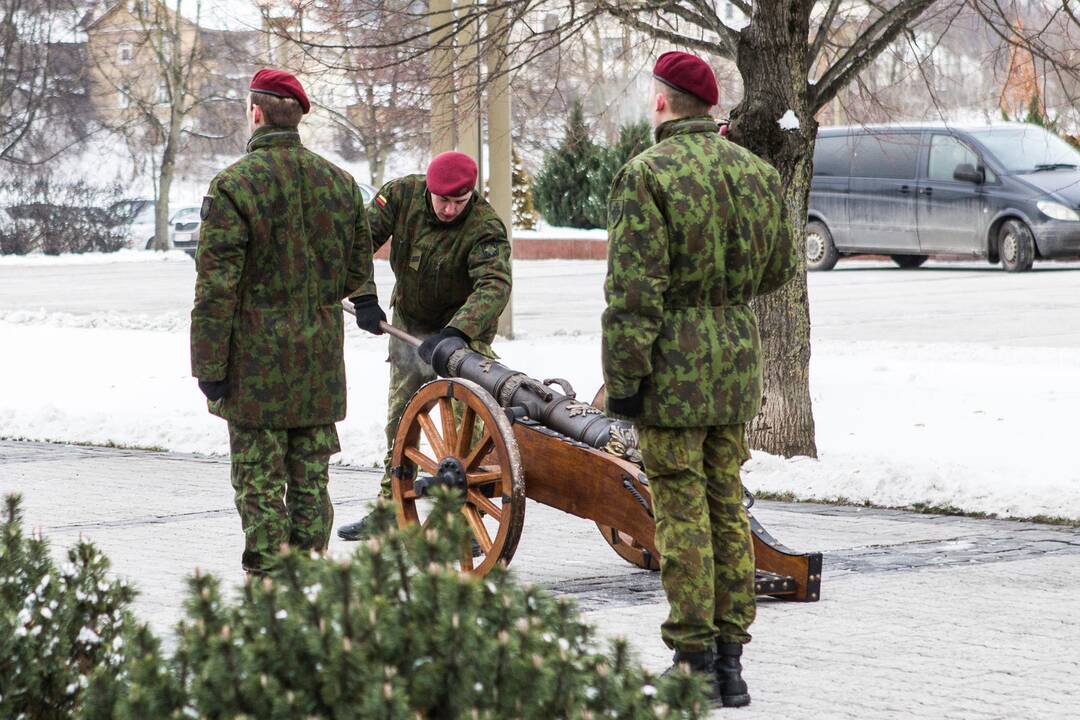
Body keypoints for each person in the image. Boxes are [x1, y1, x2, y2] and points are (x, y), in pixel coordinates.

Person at [601, 51, 798, 707]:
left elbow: (634, 293)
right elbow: (777, 271)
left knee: (682, 513)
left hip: (672, 366)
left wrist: (623, 379)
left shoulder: (645, 175)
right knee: (725, 503)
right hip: (735, 360)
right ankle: (732, 662)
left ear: (663, 101)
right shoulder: (754, 173)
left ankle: (692, 660)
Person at [190, 68, 375, 575]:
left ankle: (272, 587)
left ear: (255, 113)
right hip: (317, 366)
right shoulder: (341, 185)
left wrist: (208, 364)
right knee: (312, 482)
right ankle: (310, 580)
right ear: (296, 118)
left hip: (254, 371)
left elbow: (215, 289)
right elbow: (357, 275)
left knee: (259, 484)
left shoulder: (234, 187)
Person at [337, 151, 511, 541]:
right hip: (410, 322)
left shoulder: (486, 227)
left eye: (458, 202)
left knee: (473, 427)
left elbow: (494, 285)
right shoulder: (401, 196)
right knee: (401, 420)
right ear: (429, 190)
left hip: (462, 331)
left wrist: (456, 332)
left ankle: (470, 524)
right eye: (442, 200)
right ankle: (391, 509)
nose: (449, 209)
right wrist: (364, 296)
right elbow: (356, 242)